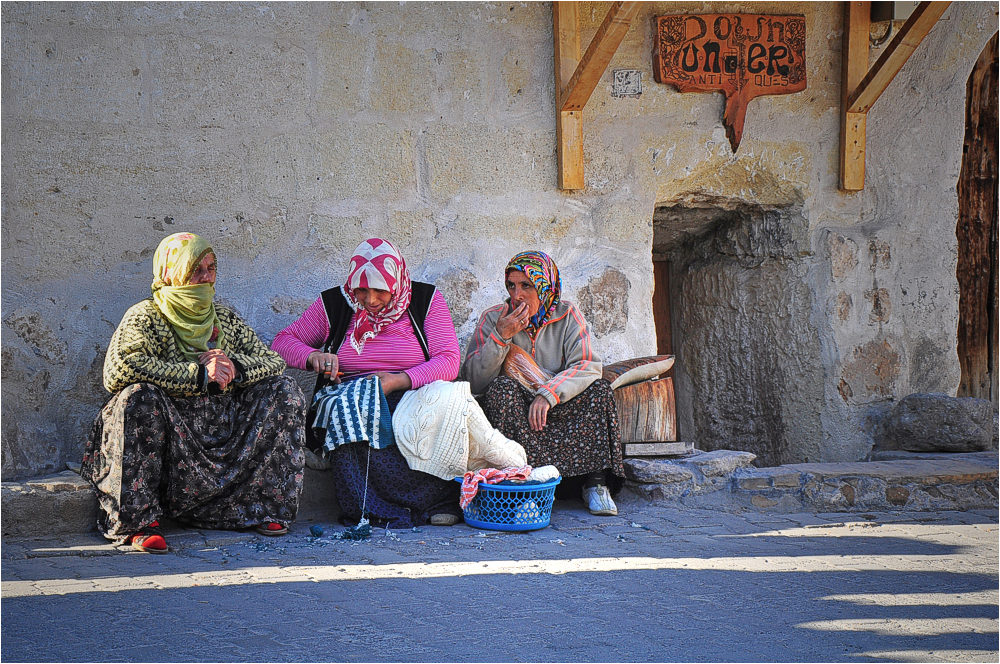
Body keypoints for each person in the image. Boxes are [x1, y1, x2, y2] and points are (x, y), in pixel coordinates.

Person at [81, 232, 306, 554]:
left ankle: (260, 507)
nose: (205, 277)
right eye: (194, 270)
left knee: (283, 390)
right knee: (136, 398)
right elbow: (120, 369)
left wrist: (234, 367)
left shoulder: (223, 317)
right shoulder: (145, 315)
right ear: (170, 272)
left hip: (223, 425)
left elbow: (272, 361)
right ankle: (137, 521)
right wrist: (198, 375)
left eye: (211, 268)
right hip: (171, 426)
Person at [271, 238, 466, 528]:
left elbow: (449, 359)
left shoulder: (425, 300)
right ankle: (368, 509)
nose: (370, 300)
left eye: (380, 291)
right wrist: (315, 357)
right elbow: (282, 343)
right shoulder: (335, 304)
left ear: (396, 283)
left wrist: (399, 380)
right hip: (354, 394)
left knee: (435, 411)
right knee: (349, 410)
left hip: (412, 389)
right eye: (361, 290)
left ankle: (435, 504)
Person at [461, 250, 623, 516]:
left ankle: (594, 484)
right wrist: (501, 338)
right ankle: (519, 484)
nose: (517, 295)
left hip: (557, 405)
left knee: (599, 389)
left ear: (546, 289)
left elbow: (587, 364)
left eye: (527, 286)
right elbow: (474, 382)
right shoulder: (494, 318)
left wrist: (549, 393)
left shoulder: (568, 315)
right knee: (501, 391)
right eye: (511, 286)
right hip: (519, 415)